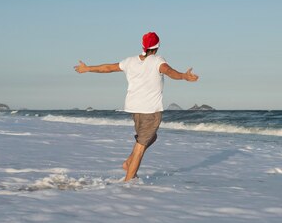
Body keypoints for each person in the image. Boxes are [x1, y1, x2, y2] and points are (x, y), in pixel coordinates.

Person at [74, 32, 199, 182]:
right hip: (150, 111)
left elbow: (108, 67)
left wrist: (87, 68)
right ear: (157, 46)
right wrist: (184, 76)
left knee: (150, 138)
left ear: (143, 46)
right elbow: (170, 72)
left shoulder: (130, 61)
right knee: (140, 148)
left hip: (135, 109)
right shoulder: (158, 61)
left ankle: (129, 162)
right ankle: (128, 182)